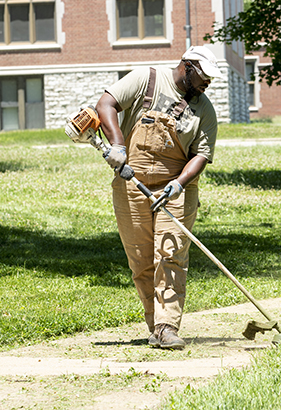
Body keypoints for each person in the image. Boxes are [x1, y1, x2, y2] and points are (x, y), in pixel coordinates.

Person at [94, 46, 221, 350]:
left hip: (176, 190)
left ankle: (167, 327)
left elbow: (202, 154)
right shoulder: (147, 79)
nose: (207, 84)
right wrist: (117, 145)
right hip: (131, 183)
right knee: (141, 260)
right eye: (203, 76)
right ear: (187, 67)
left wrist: (178, 184)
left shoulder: (205, 109)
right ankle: (155, 324)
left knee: (170, 256)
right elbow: (106, 104)